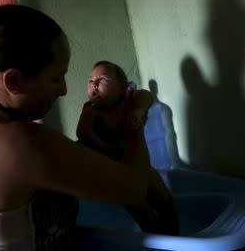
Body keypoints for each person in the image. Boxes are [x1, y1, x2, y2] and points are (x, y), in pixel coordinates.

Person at [0, 0, 167, 251]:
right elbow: (134, 188)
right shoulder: (15, 142)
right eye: (56, 78)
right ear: (14, 81)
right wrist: (135, 117)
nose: (63, 90)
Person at [77, 61, 180, 235]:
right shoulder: (91, 111)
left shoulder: (129, 100)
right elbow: (83, 133)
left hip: (137, 164)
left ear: (122, 87)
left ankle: (175, 235)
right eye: (90, 80)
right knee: (138, 206)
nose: (94, 84)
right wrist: (104, 147)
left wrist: (138, 110)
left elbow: (147, 96)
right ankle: (155, 236)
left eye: (102, 79)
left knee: (163, 195)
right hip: (113, 170)